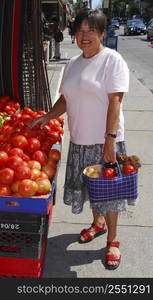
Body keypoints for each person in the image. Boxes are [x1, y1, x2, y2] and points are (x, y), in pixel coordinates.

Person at [29, 10, 132, 270]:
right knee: (89, 190)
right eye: (80, 30)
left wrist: (110, 140)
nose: (84, 36)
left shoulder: (112, 60)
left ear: (102, 32)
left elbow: (115, 101)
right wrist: (48, 116)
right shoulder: (72, 64)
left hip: (104, 141)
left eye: (91, 30)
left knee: (110, 195)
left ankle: (112, 240)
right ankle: (97, 224)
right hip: (79, 139)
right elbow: (66, 98)